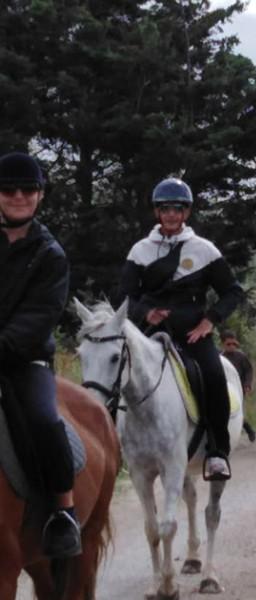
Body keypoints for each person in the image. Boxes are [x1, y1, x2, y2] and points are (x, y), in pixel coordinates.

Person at [119, 177, 244, 480]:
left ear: (186, 212)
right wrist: (145, 312)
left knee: (214, 375)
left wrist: (209, 320)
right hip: (150, 334)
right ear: (157, 212)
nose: (171, 215)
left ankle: (216, 452)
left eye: (177, 209)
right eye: (165, 209)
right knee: (115, 374)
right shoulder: (140, 251)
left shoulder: (204, 250)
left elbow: (233, 291)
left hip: (191, 333)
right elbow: (123, 297)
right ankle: (116, 445)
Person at [0, 152, 81, 557]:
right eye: (8, 188)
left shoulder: (51, 255)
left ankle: (63, 512)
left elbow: (37, 319)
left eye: (27, 189)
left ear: (40, 195)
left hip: (23, 360)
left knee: (45, 420)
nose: (18, 196)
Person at [220, 330, 256, 442]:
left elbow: (249, 371)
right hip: (225, 389)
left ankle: (248, 429)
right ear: (222, 344)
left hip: (239, 389)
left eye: (234, 344)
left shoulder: (241, 357)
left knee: (237, 410)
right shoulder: (220, 358)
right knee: (225, 411)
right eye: (228, 344)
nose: (232, 347)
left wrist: (247, 384)